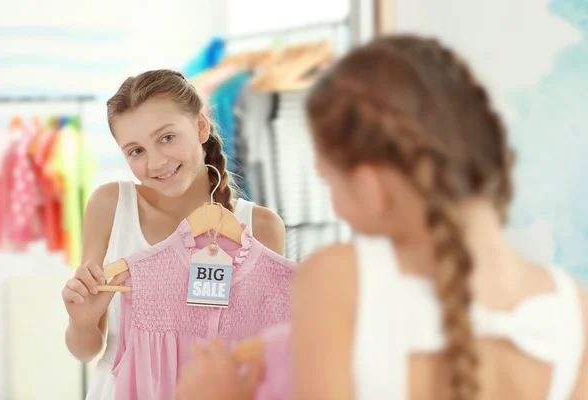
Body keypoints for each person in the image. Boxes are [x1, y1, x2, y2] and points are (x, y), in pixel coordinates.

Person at [174, 35, 588, 399]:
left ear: (371, 187)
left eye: (330, 183)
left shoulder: (339, 281)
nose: (334, 205)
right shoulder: (573, 309)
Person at [60, 69, 286, 399]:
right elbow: (85, 351)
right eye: (136, 151)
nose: (157, 162)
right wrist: (82, 321)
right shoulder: (110, 205)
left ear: (200, 127)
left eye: (167, 137)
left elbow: (265, 356)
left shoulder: (259, 227)